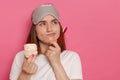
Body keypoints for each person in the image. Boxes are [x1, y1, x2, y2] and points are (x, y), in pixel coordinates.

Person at [10, 3, 83, 80]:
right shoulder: (21, 57)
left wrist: (56, 63)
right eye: (43, 24)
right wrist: (25, 74)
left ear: (59, 26)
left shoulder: (72, 58)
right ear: (35, 30)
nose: (49, 29)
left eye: (54, 22)